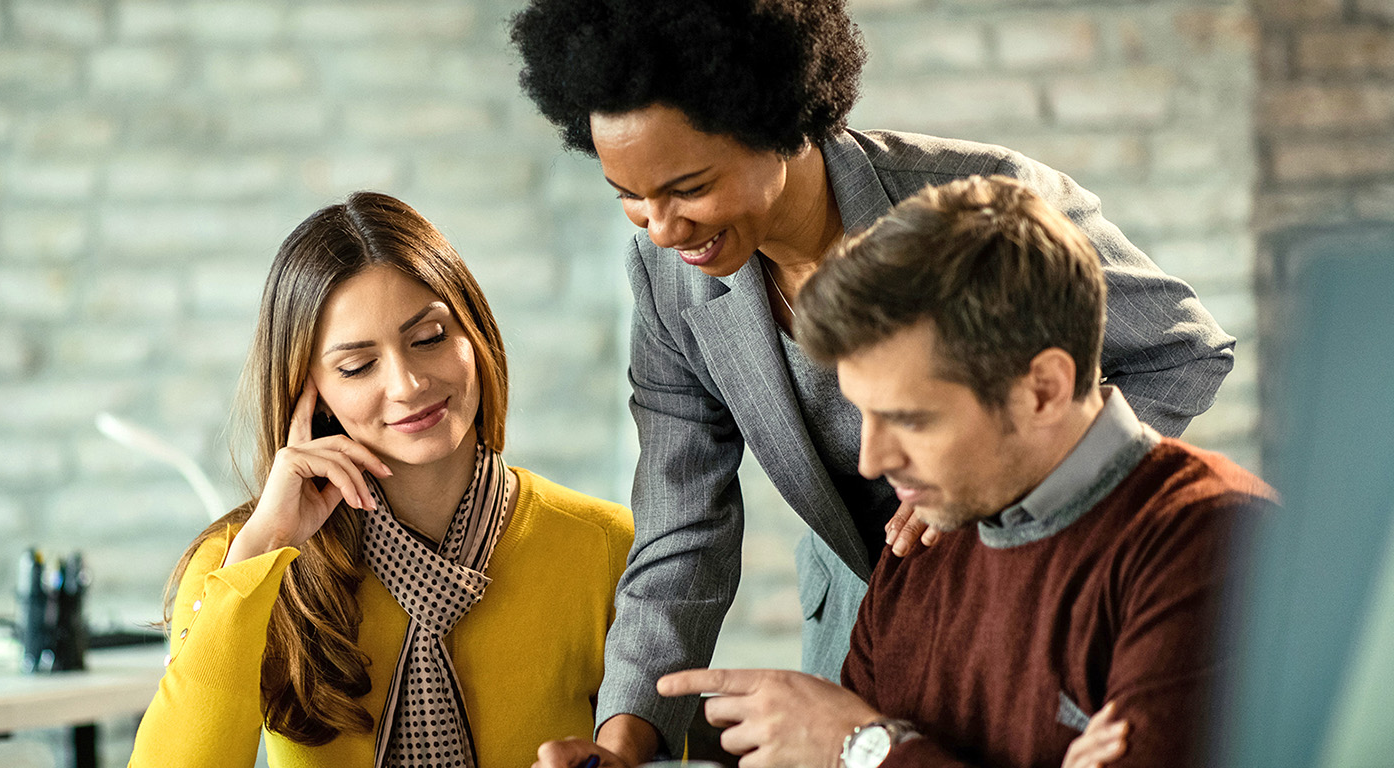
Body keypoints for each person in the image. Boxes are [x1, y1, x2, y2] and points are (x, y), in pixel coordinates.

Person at [509, 1, 1236, 762]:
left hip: (1034, 608)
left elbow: (1182, 351)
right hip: (869, 627)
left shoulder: (980, 207)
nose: (659, 227)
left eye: (688, 187)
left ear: (780, 127)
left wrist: (1017, 497)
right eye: (628, 193)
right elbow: (680, 521)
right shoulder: (668, 277)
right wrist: (626, 738)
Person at [647, 175, 1276, 768]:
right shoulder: (923, 543)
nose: (872, 461)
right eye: (863, 414)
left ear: (1044, 389)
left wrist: (862, 746)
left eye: (911, 419)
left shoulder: (1216, 541)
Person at [128, 191, 634, 767]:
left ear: (475, 334)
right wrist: (263, 551)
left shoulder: (606, 546)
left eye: (429, 338)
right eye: (357, 365)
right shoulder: (238, 563)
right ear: (310, 394)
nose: (408, 383)